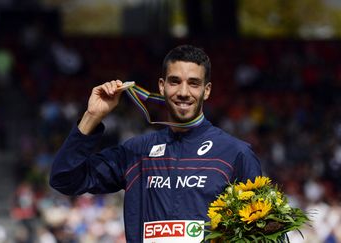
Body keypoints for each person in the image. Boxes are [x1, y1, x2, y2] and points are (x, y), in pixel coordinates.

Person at [49, 45, 262, 242]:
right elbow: (64, 179)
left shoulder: (235, 154)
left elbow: (262, 233)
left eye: (194, 83)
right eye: (175, 81)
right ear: (162, 86)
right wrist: (92, 116)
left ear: (206, 90)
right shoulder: (136, 152)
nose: (183, 92)